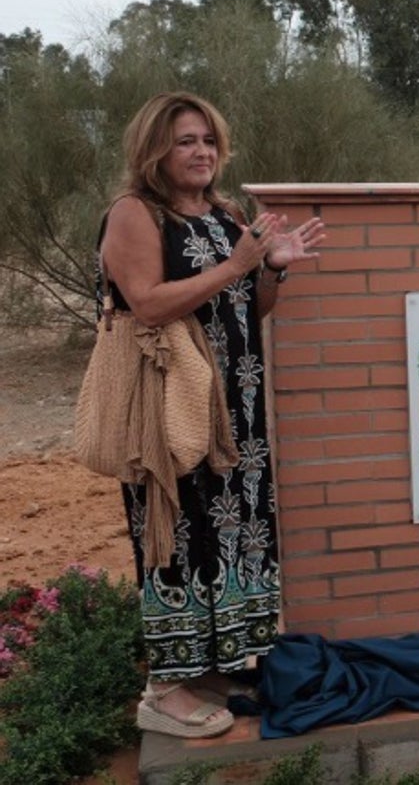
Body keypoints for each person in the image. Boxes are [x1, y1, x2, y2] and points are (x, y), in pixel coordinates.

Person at [99, 92, 325, 736]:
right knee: (174, 530)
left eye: (207, 140)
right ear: (153, 151)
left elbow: (245, 314)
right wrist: (238, 264)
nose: (201, 152)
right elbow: (146, 303)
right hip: (171, 408)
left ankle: (215, 660)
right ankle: (163, 690)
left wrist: (271, 272)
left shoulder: (223, 213)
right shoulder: (135, 214)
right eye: (184, 142)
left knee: (233, 533)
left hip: (237, 412)